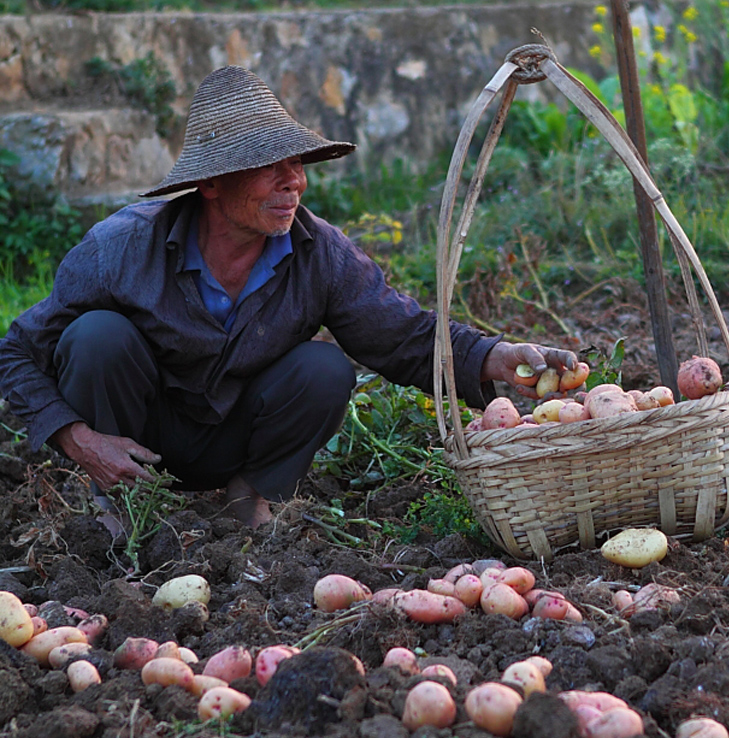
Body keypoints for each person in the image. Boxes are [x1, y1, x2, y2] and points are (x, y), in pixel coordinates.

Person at [0, 65, 577, 529]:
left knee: (324, 367)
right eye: (268, 167)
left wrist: (493, 355)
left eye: (296, 163)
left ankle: (248, 498)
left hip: (235, 439)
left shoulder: (318, 251)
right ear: (211, 184)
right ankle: (118, 511)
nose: (293, 181)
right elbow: (17, 351)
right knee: (97, 336)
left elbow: (400, 335)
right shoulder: (123, 246)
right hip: (137, 440)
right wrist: (80, 441)